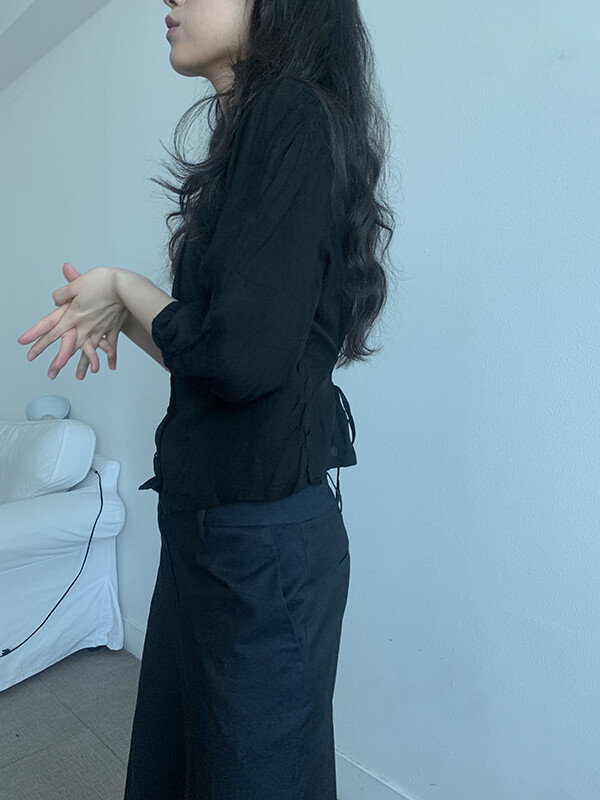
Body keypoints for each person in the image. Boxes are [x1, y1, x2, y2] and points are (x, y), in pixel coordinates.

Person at [17, 0, 397, 797]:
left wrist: (128, 287)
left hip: (259, 545)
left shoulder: (292, 113)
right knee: (183, 770)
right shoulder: (257, 129)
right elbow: (216, 358)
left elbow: (238, 357)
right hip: (214, 529)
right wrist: (123, 313)